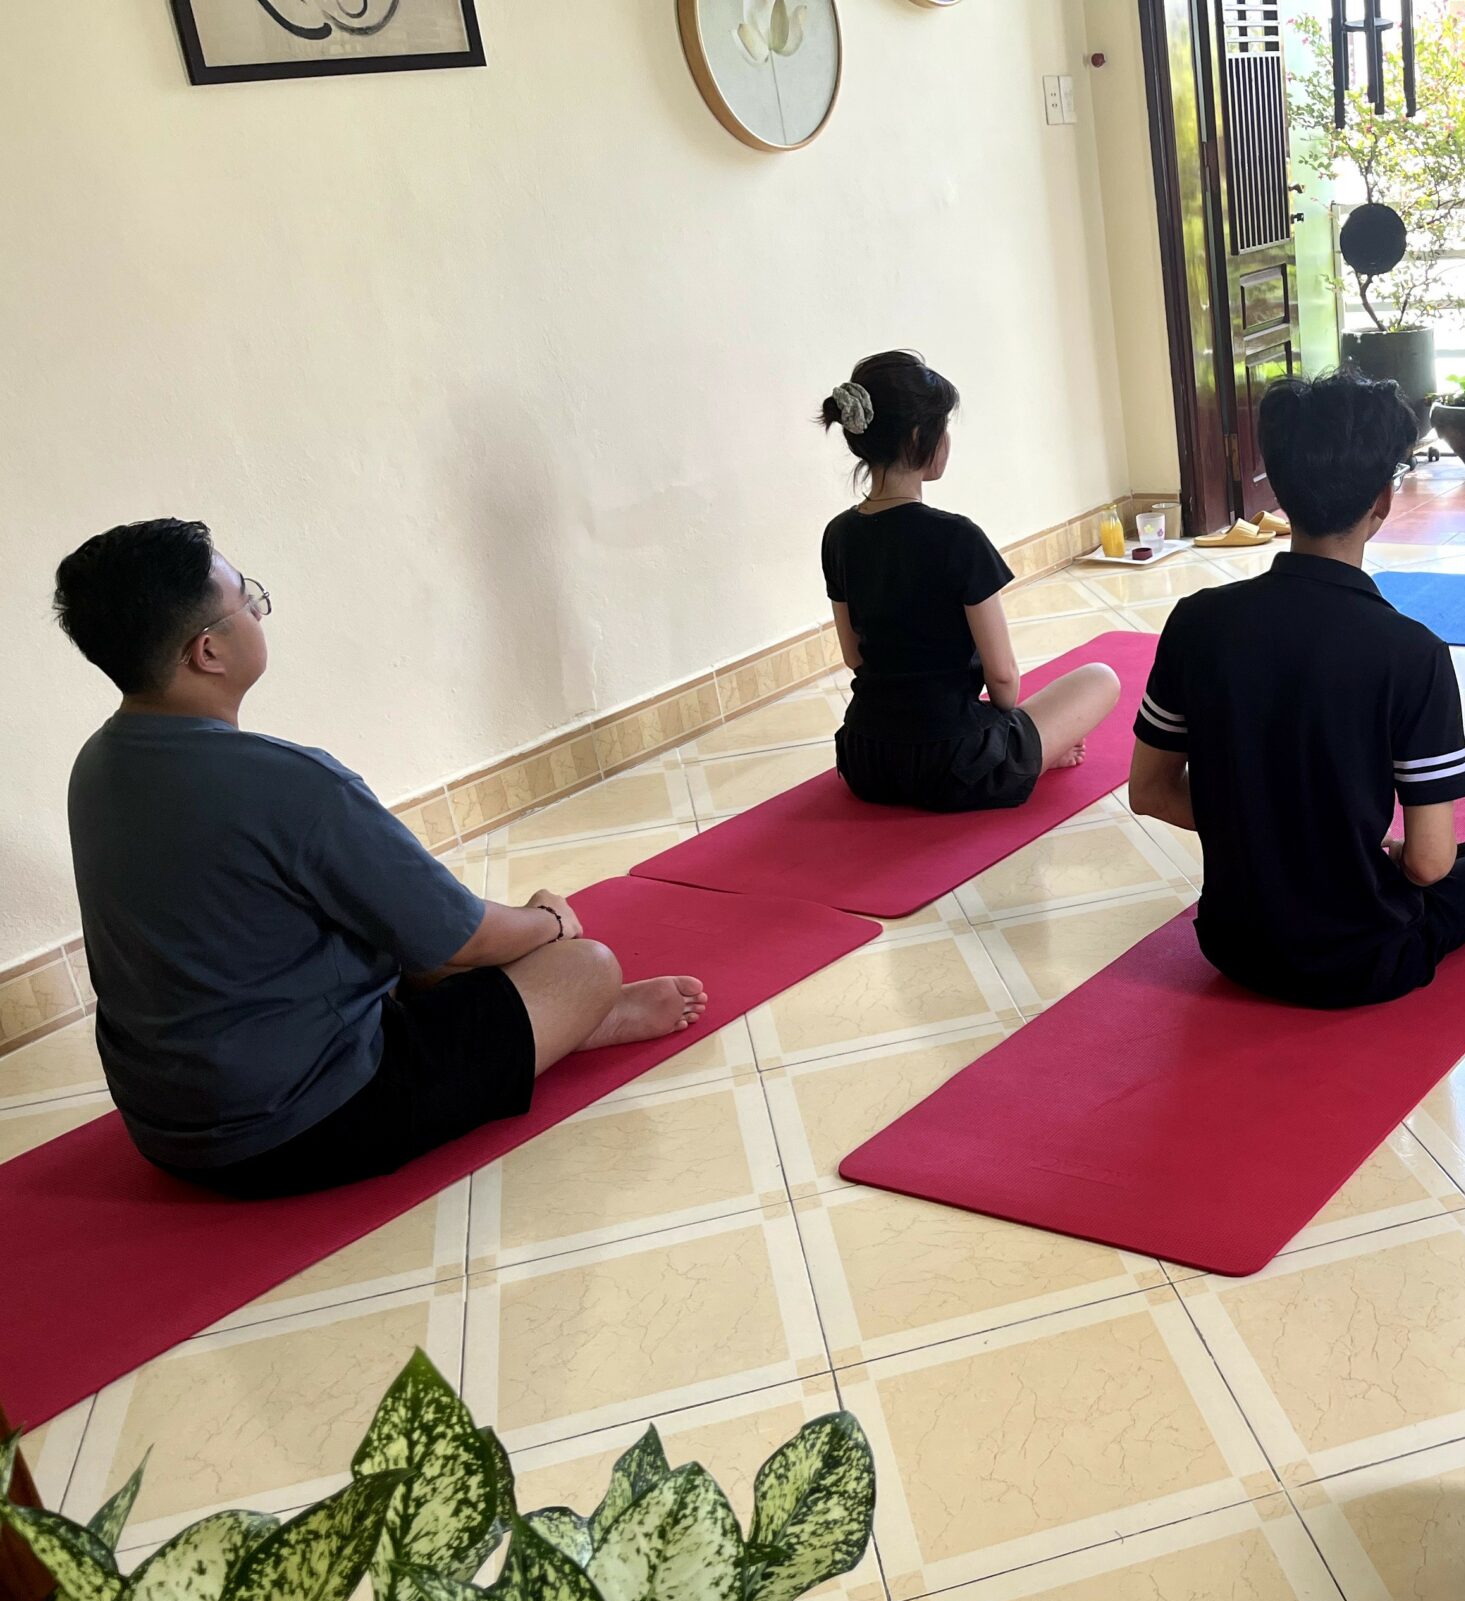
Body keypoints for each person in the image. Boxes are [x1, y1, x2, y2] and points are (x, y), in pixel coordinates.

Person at [54, 520, 708, 1200]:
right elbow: (467, 936)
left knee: (400, 939)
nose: (258, 610)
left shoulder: (95, 767)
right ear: (208, 650)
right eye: (247, 597)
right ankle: (583, 1018)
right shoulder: (292, 785)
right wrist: (552, 922)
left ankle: (543, 1023)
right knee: (584, 966)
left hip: (164, 1126)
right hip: (306, 1123)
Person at [1128, 370, 1465, 1008]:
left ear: (1280, 493)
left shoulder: (1196, 621)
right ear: (1382, 500)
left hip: (1233, 947)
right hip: (1365, 959)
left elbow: (1150, 791)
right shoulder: (1411, 652)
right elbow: (1427, 865)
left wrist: (1264, 835)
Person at [818, 350, 1119, 812]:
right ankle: (1034, 755)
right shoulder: (958, 538)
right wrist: (1007, 735)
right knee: (1101, 678)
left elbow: (853, 655)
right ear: (919, 437)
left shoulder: (838, 534)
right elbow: (1003, 681)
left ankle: (1031, 749)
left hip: (867, 761)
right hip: (956, 765)